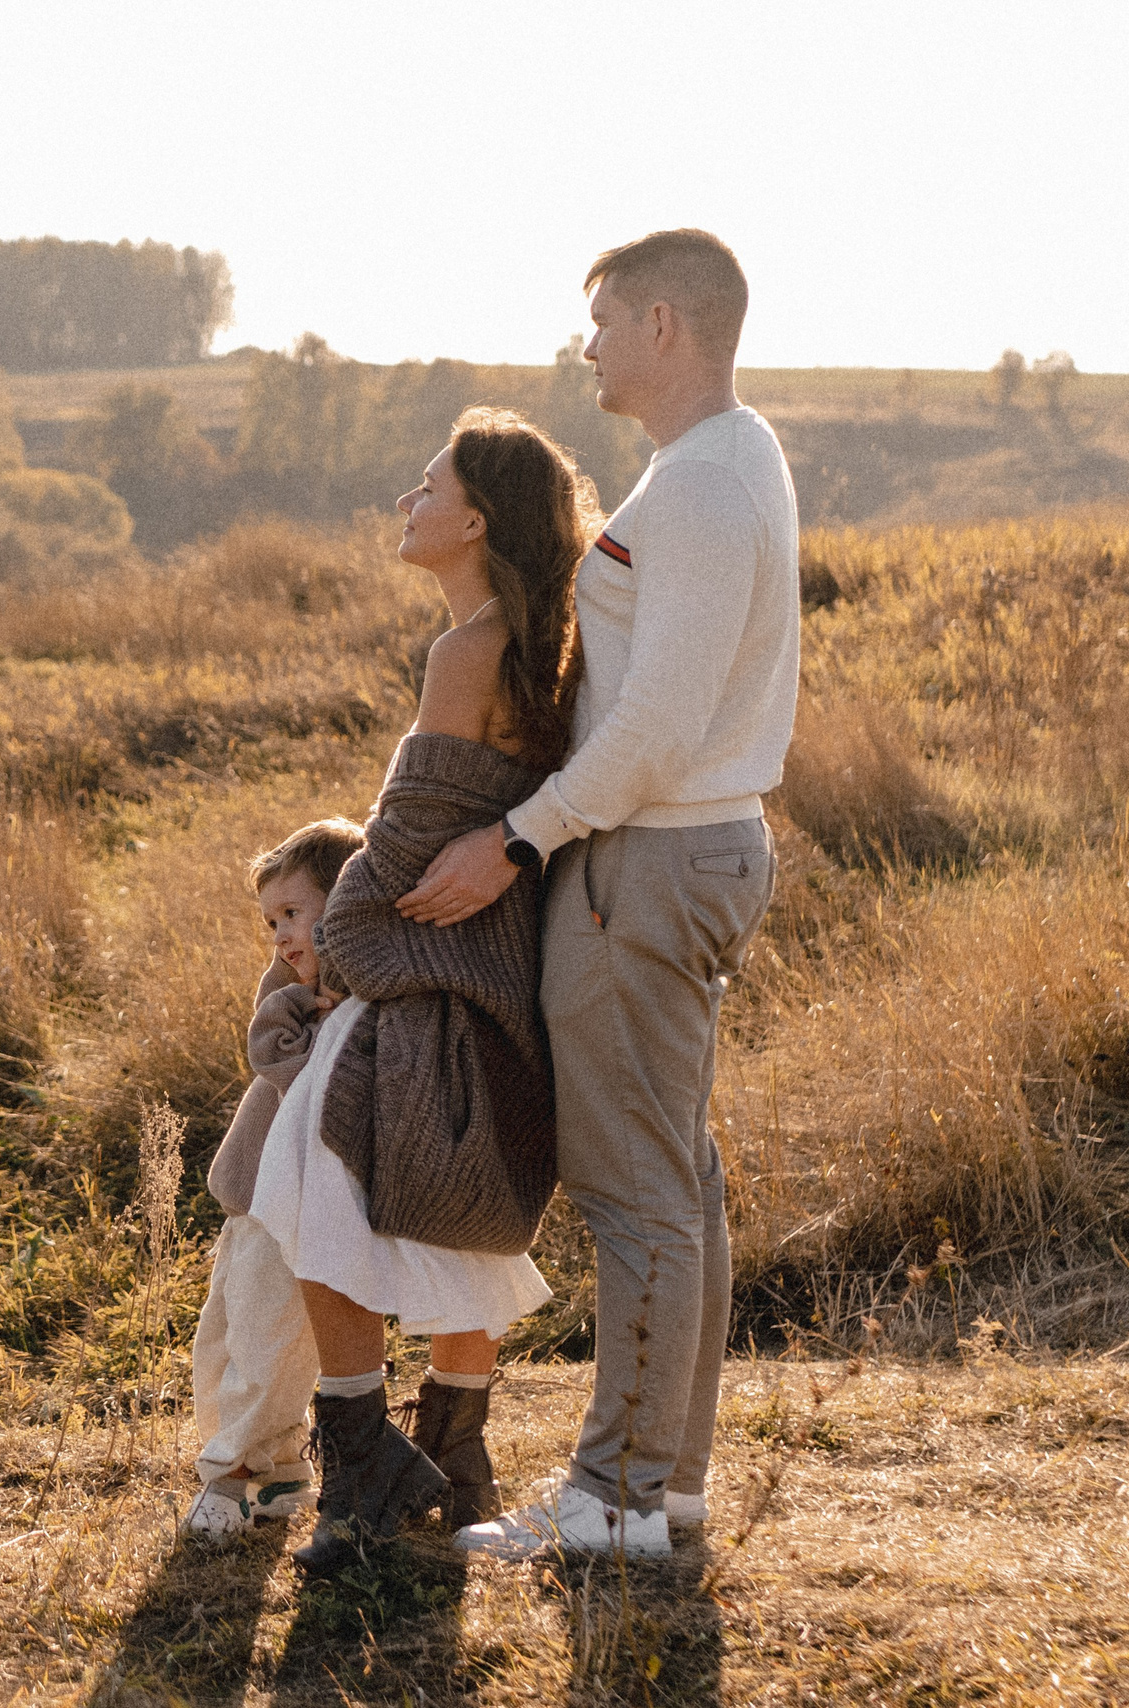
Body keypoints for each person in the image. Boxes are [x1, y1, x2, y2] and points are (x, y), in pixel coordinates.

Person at [400, 231, 800, 1560]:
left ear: (666, 325)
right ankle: (663, 1485)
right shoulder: (733, 462)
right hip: (691, 848)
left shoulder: (696, 489)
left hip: (647, 858)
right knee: (675, 1177)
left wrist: (516, 839)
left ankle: (613, 1501)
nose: (587, 347)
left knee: (634, 1189)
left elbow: (655, 729)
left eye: (604, 320)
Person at [247, 407, 595, 1572]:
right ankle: (455, 1455)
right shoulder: (545, 642)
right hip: (498, 977)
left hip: (429, 980)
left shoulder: (466, 652)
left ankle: (363, 1463)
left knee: (301, 1181)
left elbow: (390, 859)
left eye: (426, 484)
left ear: (477, 518)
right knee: (448, 1212)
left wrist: (332, 949)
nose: (407, 501)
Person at [182, 818, 364, 1538]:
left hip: (295, 1205)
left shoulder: (353, 1003)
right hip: (250, 1197)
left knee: (270, 1343)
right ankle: (281, 1472)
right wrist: (294, 996)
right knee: (224, 1339)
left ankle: (232, 1477)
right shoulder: (292, 991)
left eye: (295, 914)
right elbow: (270, 1053)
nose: (281, 936)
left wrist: (322, 1013)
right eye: (271, 923)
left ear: (343, 907)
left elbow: (311, 1087)